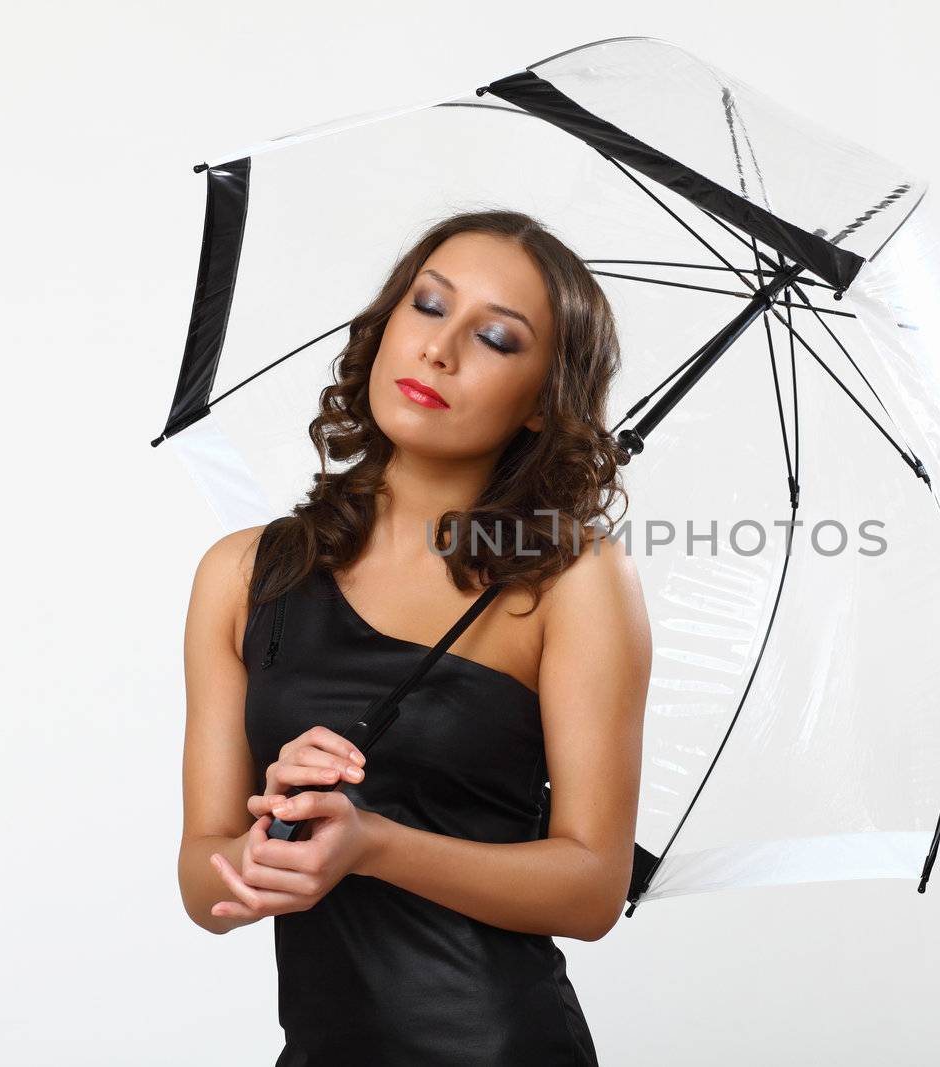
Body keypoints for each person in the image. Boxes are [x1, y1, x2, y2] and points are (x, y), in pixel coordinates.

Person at [174, 210, 652, 1065]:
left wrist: (375, 845)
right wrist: (268, 840)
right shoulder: (241, 575)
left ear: (545, 402)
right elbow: (204, 891)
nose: (441, 348)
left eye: (498, 338)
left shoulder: (570, 582)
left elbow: (592, 890)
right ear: (387, 322)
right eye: (429, 306)